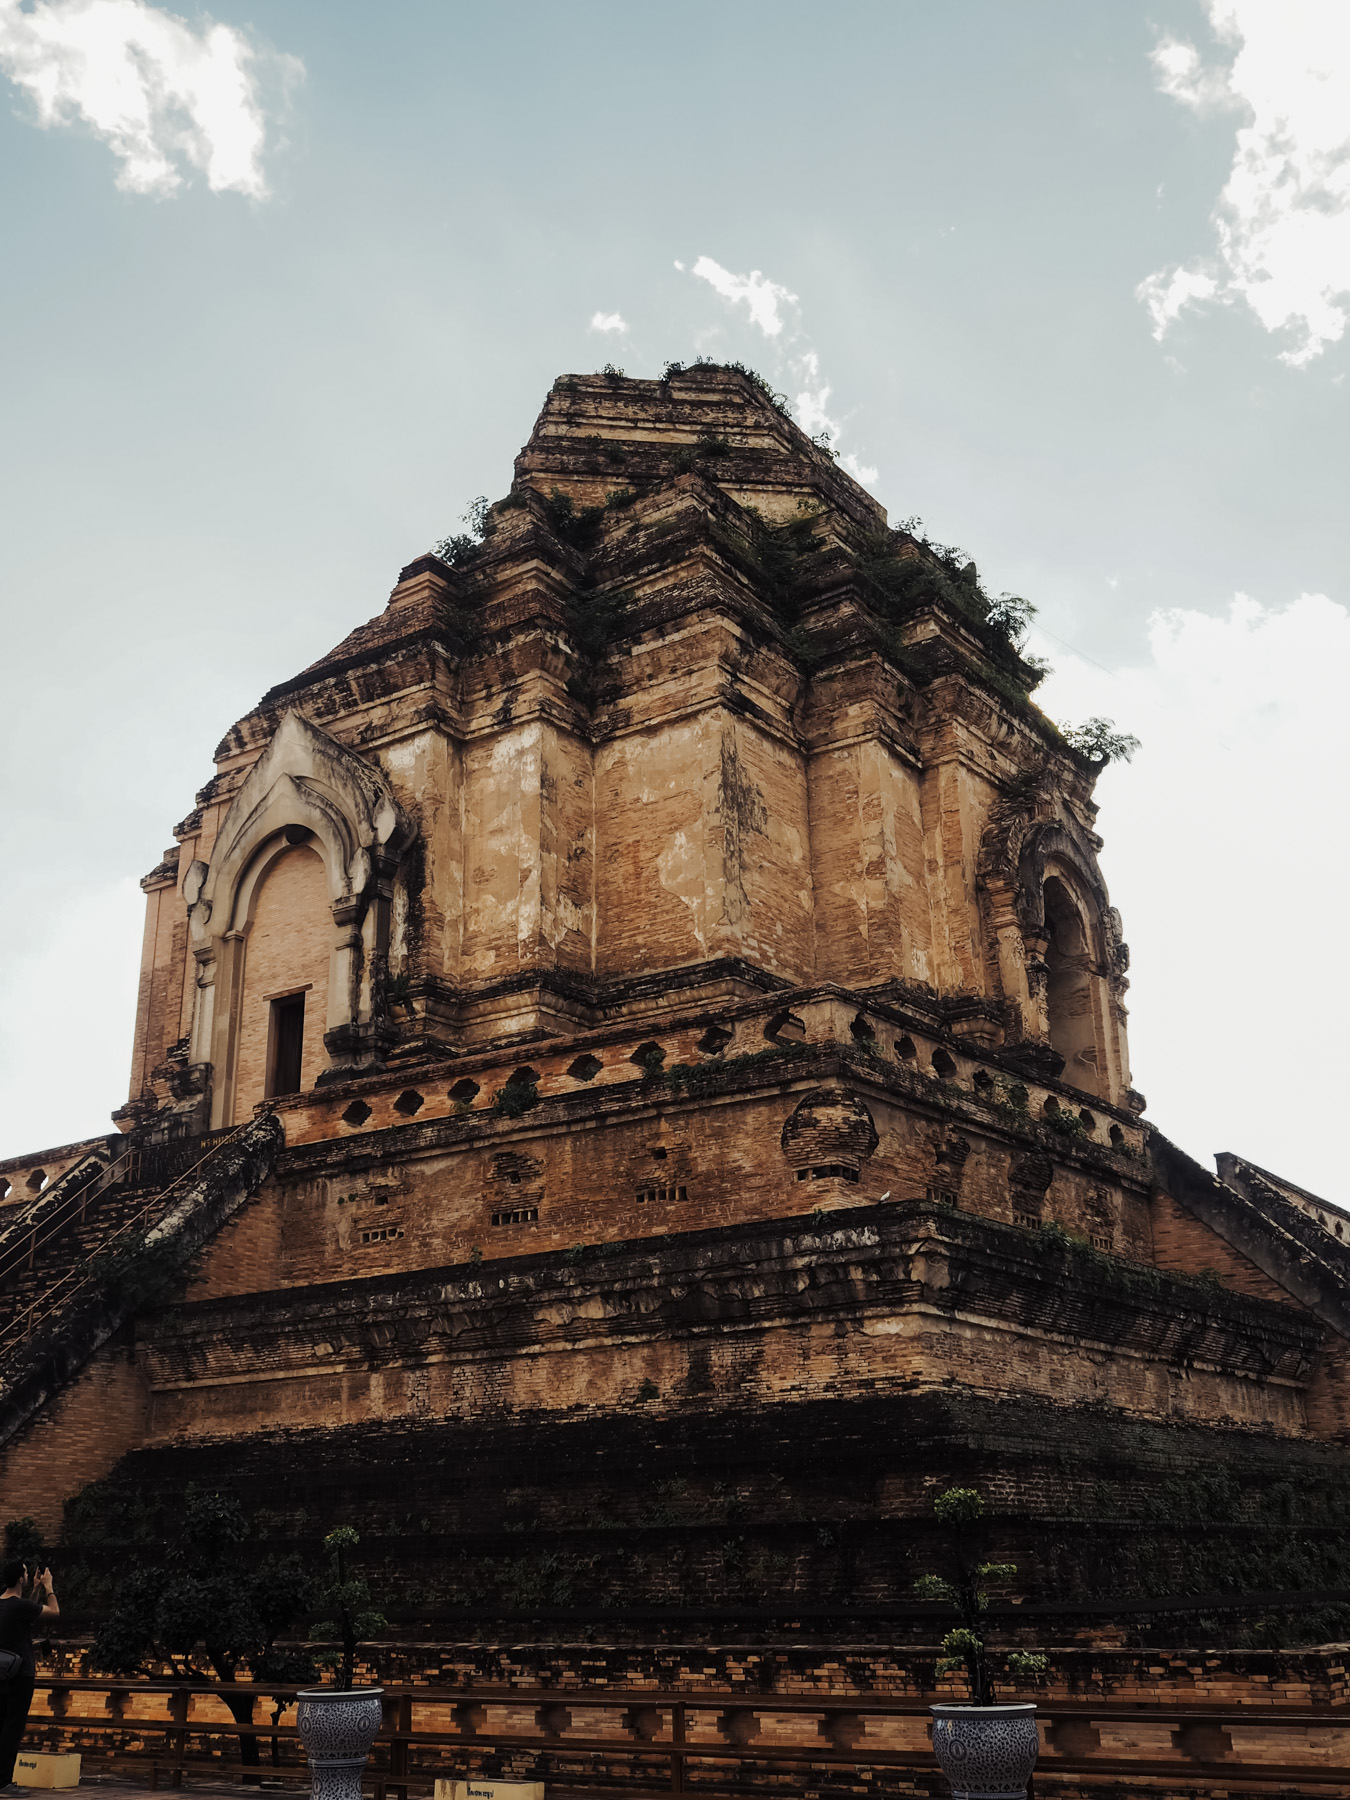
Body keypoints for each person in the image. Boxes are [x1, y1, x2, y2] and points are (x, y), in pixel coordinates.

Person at [0, 1559, 58, 1796]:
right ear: (20, 1578)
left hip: (1, 1673)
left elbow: (26, 1612)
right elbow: (54, 1612)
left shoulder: (5, 1605)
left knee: (1, 1726)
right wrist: (48, 1586)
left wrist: (33, 1589)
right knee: (12, 1729)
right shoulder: (19, 1606)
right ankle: (3, 1782)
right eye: (25, 1574)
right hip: (20, 1674)